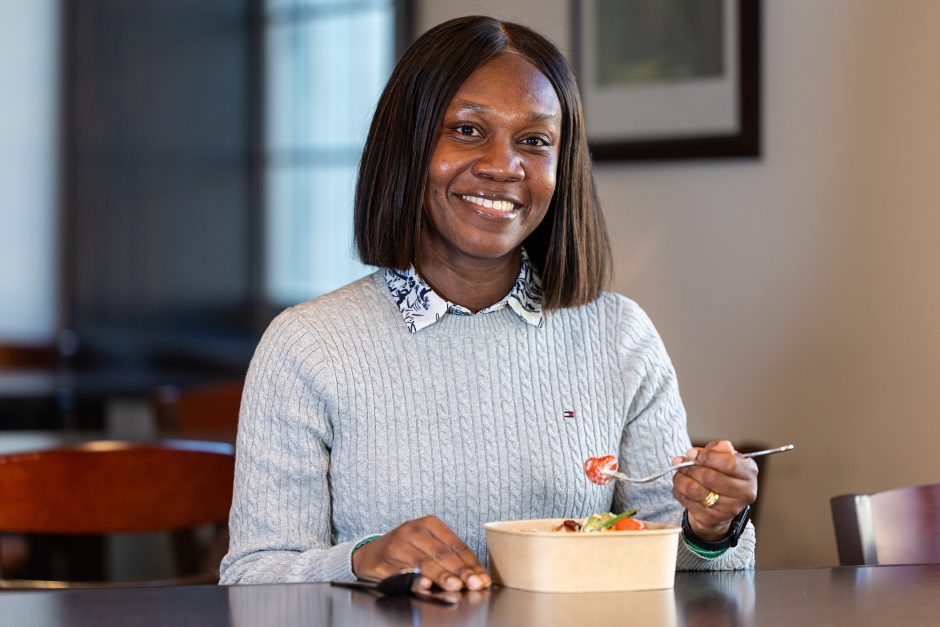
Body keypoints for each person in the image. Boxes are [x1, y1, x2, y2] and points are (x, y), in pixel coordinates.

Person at [219, 15, 757, 591]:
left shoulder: (619, 334)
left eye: (534, 141)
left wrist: (711, 526)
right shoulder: (308, 346)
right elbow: (254, 574)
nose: (504, 166)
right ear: (407, 146)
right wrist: (364, 559)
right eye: (467, 130)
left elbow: (678, 557)